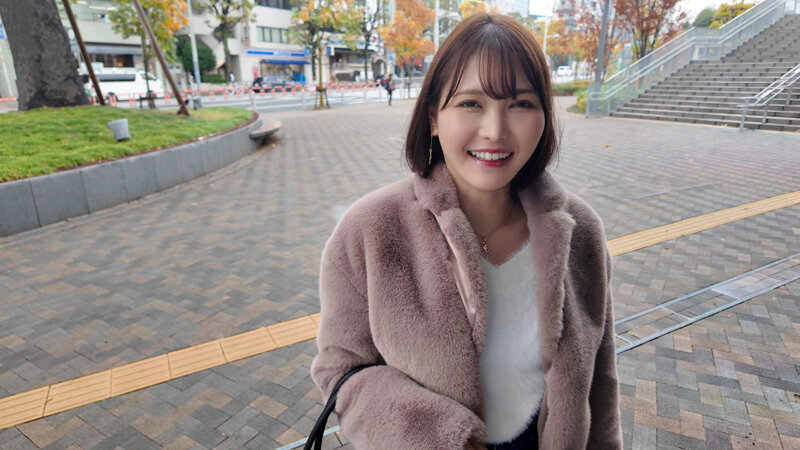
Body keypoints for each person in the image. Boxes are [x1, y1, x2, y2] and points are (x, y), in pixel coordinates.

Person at [311, 13, 621, 449]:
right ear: (433, 117)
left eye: (520, 104)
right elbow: (340, 370)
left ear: (544, 116)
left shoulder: (580, 231)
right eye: (470, 103)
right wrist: (439, 438)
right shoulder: (370, 230)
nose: (495, 130)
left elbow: (601, 384)